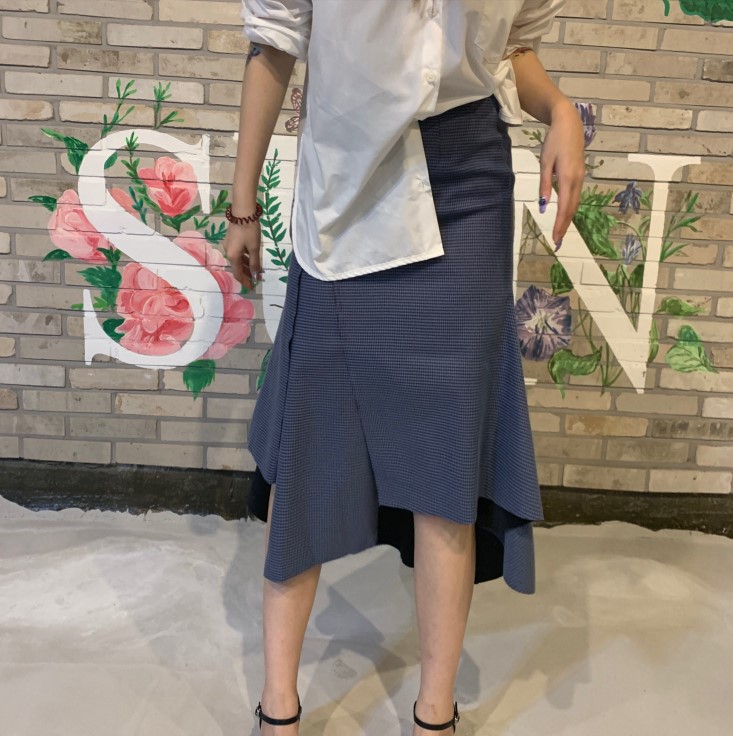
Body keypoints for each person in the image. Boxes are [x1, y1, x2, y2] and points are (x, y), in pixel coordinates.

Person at [224, 1, 584, 733]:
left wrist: (559, 109)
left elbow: (509, 50)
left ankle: (433, 713)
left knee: (446, 458)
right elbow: (275, 45)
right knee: (310, 449)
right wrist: (242, 204)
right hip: (345, 187)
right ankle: (279, 705)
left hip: (470, 186)